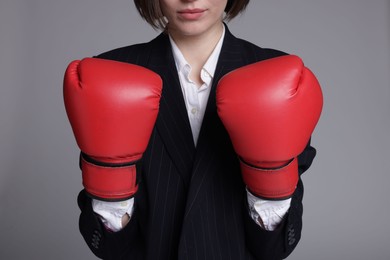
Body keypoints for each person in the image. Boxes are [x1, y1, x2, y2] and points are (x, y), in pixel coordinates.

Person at [63, 0, 323, 259]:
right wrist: (112, 193)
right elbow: (110, 248)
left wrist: (270, 188)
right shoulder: (110, 73)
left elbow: (274, 248)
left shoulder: (280, 76)